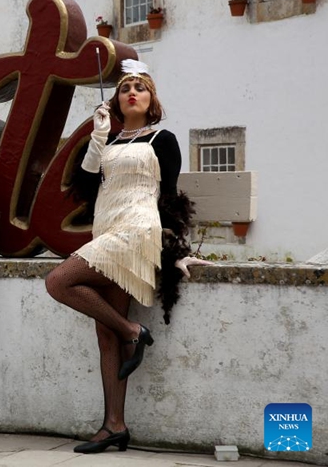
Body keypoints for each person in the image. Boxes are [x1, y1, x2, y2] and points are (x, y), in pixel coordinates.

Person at [44, 59, 210, 454]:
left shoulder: (162, 139)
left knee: (58, 282)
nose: (132, 92)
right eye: (125, 88)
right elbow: (85, 187)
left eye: (140, 87)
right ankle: (114, 425)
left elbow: (169, 197)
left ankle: (134, 331)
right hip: (106, 229)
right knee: (106, 334)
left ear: (152, 98)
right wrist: (99, 135)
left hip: (137, 230)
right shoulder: (108, 140)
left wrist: (176, 252)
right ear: (116, 101)